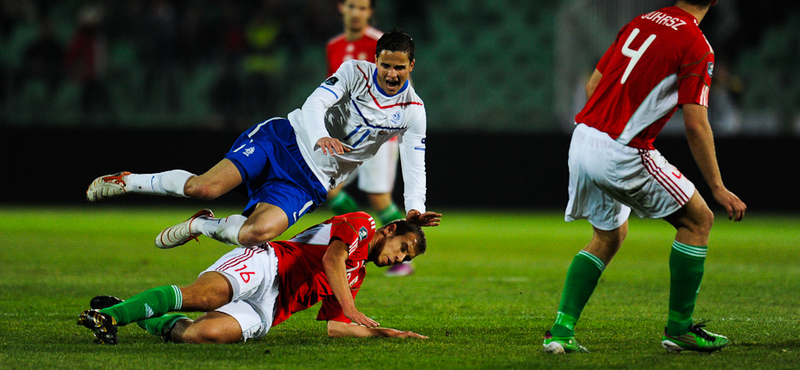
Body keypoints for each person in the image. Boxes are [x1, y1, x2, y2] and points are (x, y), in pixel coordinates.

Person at [86, 28, 441, 251]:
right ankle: (129, 181)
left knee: (257, 234)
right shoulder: (352, 72)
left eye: (399, 67)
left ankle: (201, 225)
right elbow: (316, 101)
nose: (391, 74)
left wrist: (415, 208)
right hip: (283, 140)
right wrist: (319, 136)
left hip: (312, 181)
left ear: (412, 66)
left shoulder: (413, 110)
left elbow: (415, 162)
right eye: (386, 65)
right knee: (203, 188)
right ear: (375, 61)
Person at [543, 0, 746, 354]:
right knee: (699, 220)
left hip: (584, 137)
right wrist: (718, 186)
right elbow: (696, 124)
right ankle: (680, 329)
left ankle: (560, 332)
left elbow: (594, 84)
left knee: (608, 237)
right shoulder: (696, 45)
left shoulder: (643, 21)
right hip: (623, 149)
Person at [78, 212, 429, 344]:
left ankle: (138, 313)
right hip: (268, 263)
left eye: (406, 259)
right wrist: (352, 308)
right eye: (403, 249)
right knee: (206, 296)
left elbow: (336, 326)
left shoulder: (356, 276)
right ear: (391, 229)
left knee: (203, 334)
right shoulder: (362, 224)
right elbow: (331, 257)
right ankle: (110, 317)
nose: (399, 259)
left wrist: (385, 332)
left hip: (270, 309)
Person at [326, 0, 412, 277]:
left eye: (362, 7)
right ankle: (363, 241)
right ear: (341, 8)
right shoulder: (334, 46)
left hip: (378, 137)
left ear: (370, 12)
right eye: (352, 6)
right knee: (327, 188)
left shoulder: (380, 44)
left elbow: (400, 85)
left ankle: (402, 255)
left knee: (379, 198)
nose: (356, 12)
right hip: (346, 135)